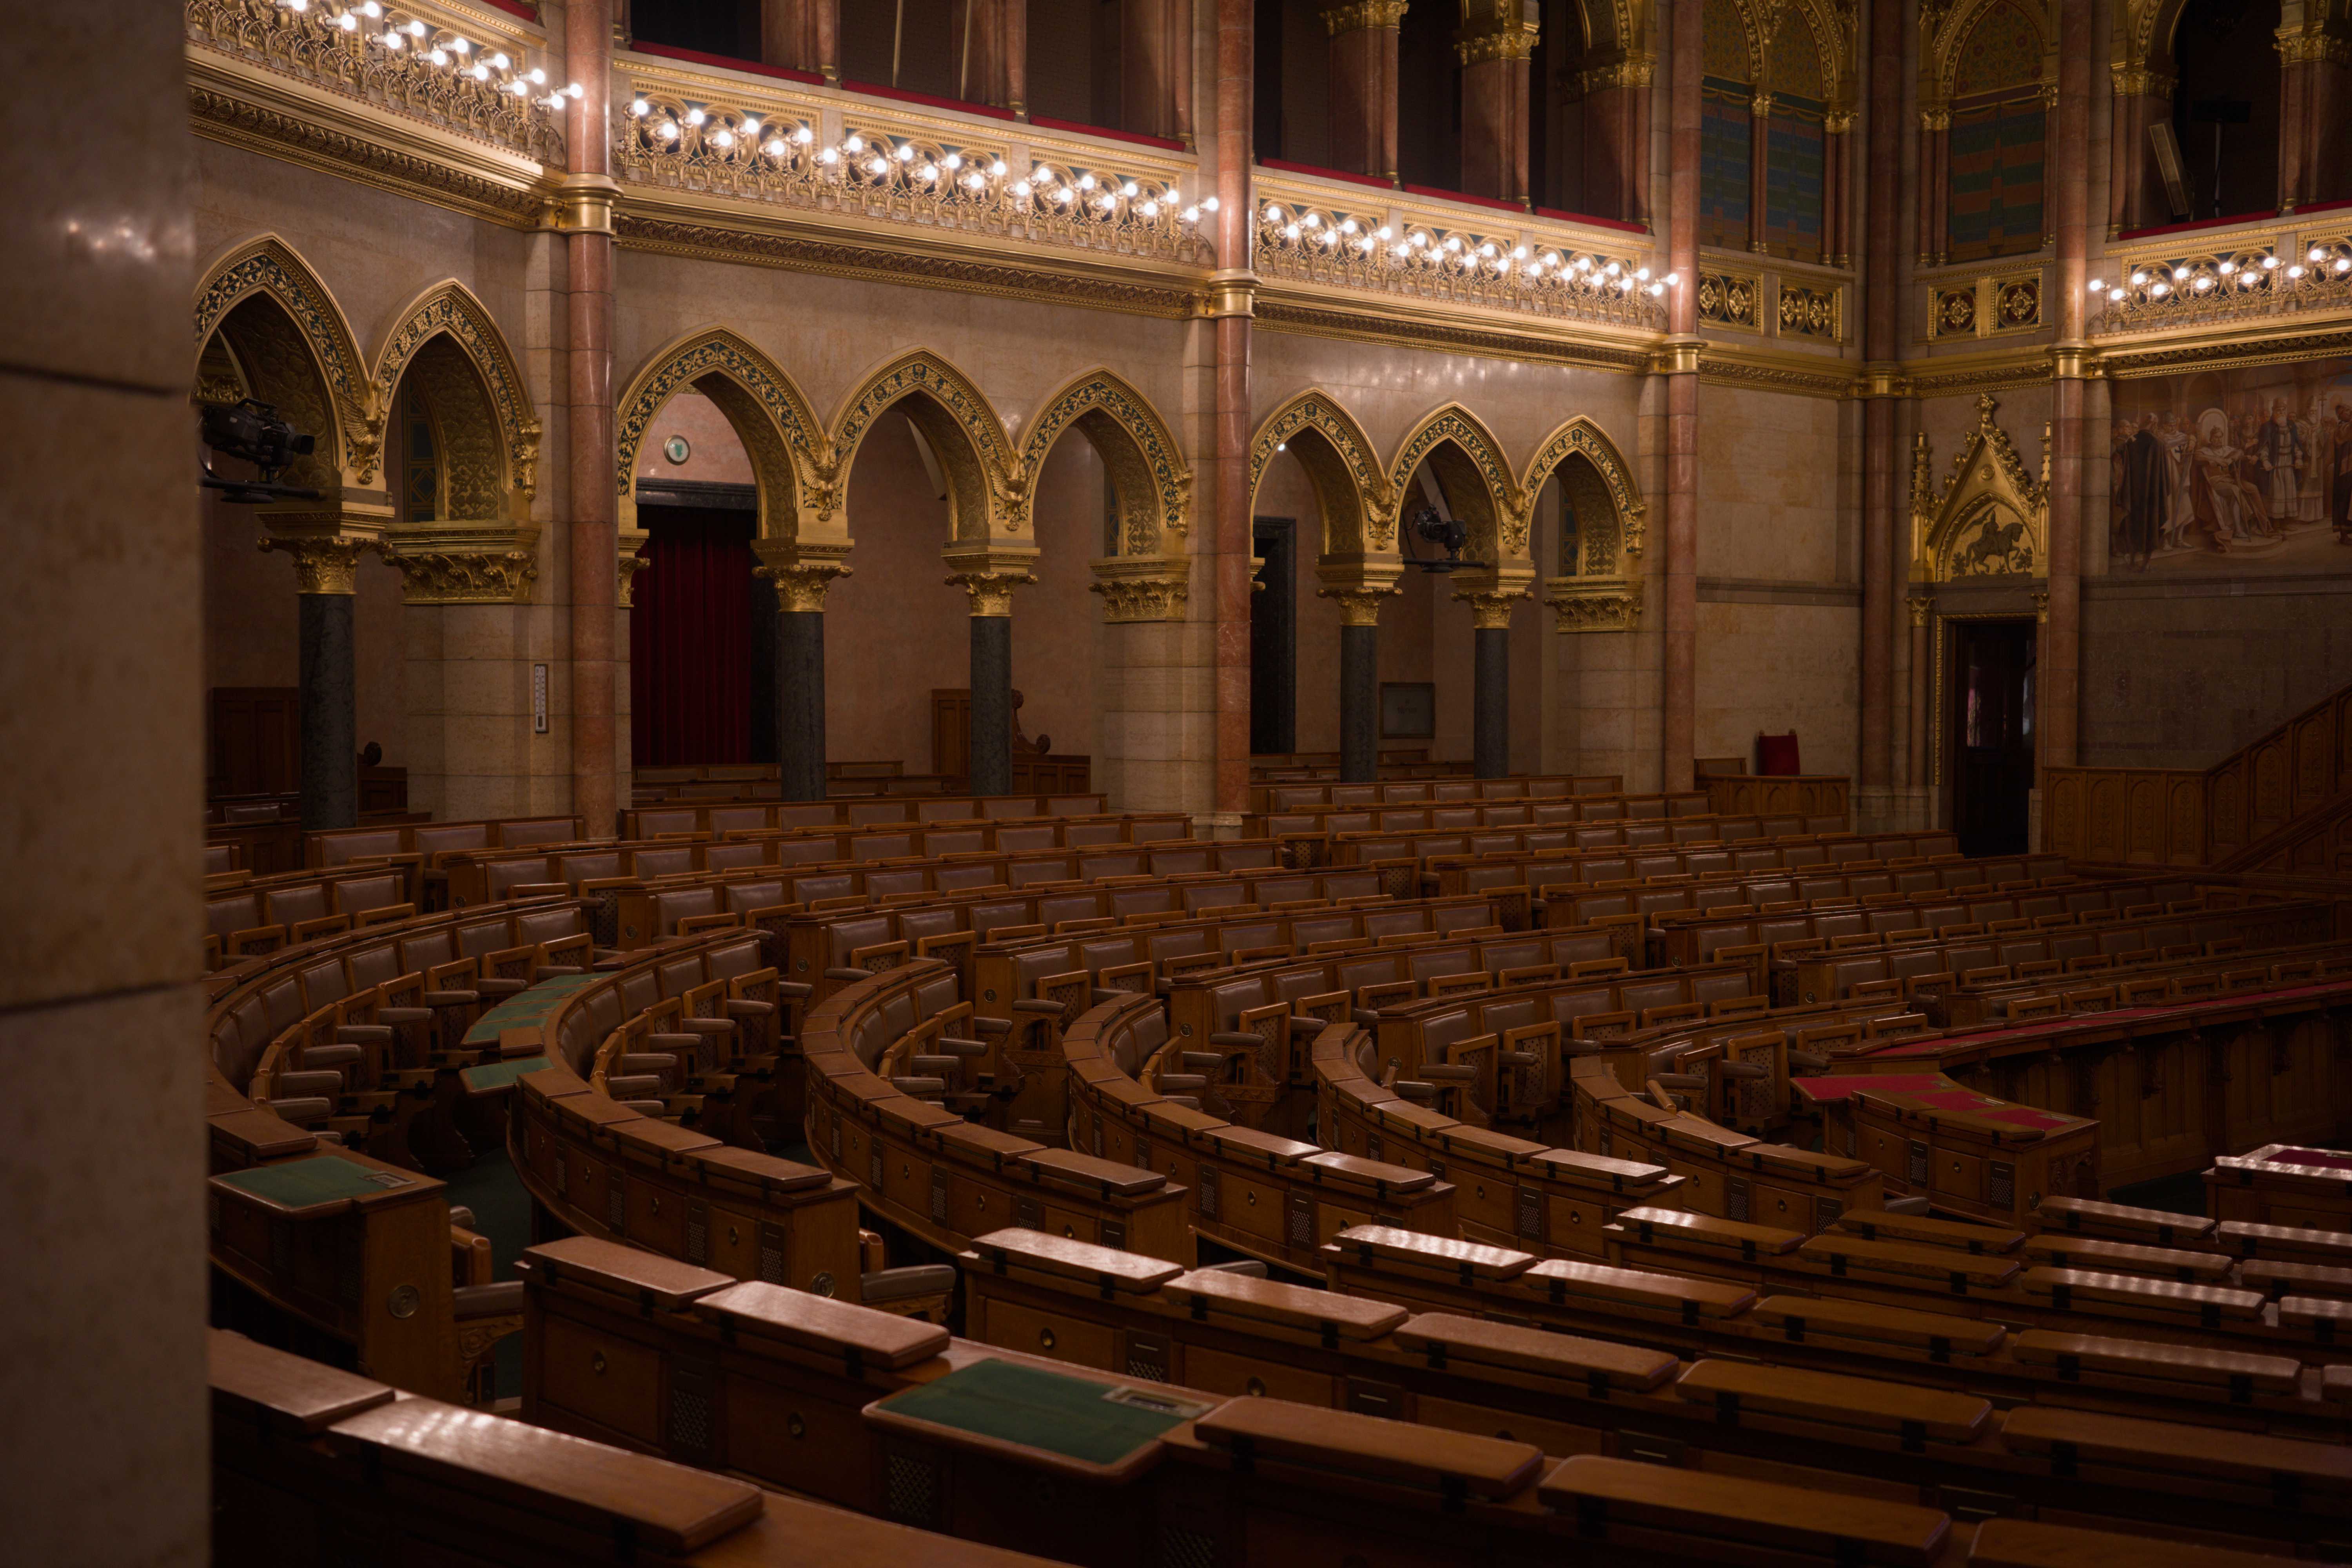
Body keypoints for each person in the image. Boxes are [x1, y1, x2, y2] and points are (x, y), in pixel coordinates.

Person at [2114, 412, 2170, 570]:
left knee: (2134, 525)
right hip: (2153, 497)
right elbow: (2165, 476)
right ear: (2154, 424)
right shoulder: (2158, 444)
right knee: (2151, 527)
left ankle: (2133, 561)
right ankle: (2145, 563)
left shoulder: (2131, 443)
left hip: (2133, 496)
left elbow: (2119, 452)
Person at [2258, 397, 2305, 527]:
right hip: (2276, 463)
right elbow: (2264, 447)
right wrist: (2266, 461)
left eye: (2284, 410)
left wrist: (2299, 458)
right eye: (2279, 410)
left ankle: (2286, 523)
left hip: (2289, 464)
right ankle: (2276, 524)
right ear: (2274, 412)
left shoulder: (2291, 425)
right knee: (2278, 493)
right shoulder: (2267, 427)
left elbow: (2296, 445)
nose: (2282, 413)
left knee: (2289, 492)